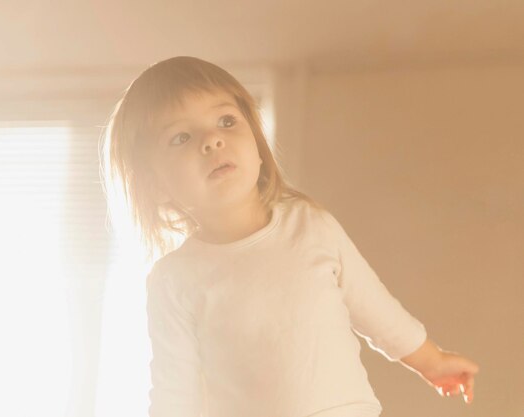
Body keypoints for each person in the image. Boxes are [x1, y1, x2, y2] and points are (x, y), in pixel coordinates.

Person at [104, 56, 479, 417]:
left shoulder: (311, 226)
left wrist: (432, 361)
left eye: (226, 120)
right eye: (181, 137)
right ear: (153, 184)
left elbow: (376, 310)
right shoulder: (174, 279)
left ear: (257, 142)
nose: (212, 140)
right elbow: (174, 392)